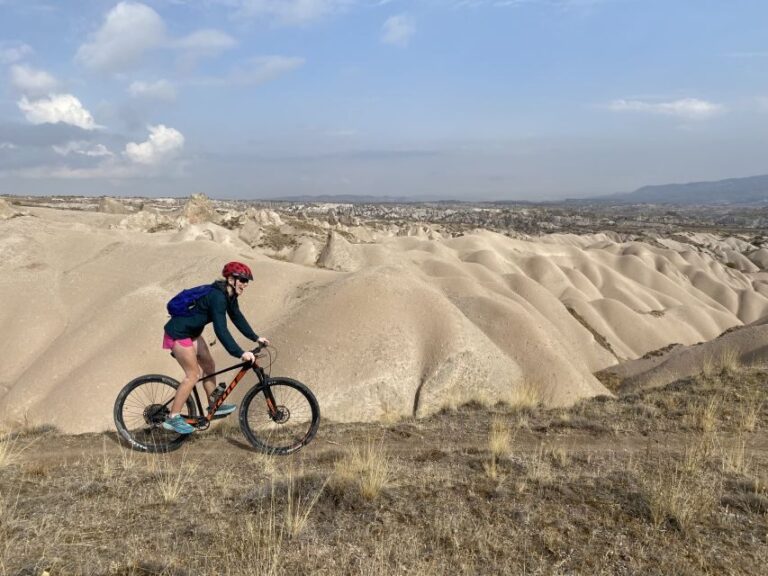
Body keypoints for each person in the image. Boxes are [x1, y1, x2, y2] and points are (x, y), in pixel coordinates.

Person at [161, 261, 269, 434]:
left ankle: (214, 405)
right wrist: (239, 353)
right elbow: (221, 329)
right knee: (193, 375)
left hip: (192, 333)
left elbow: (237, 317)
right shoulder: (217, 297)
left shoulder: (229, 296)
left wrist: (255, 337)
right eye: (242, 280)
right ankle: (173, 417)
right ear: (231, 279)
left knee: (209, 366)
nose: (245, 284)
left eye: (247, 281)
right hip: (178, 334)